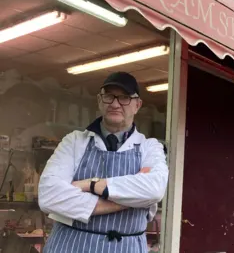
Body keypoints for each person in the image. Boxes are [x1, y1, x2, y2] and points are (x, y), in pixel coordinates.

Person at [38, 72, 169, 253]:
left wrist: (90, 185)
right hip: (69, 246)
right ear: (100, 101)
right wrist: (130, 201)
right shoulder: (75, 141)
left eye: (124, 97)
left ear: (137, 105)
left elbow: (154, 189)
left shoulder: (150, 147)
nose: (115, 104)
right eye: (109, 96)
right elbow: (49, 196)